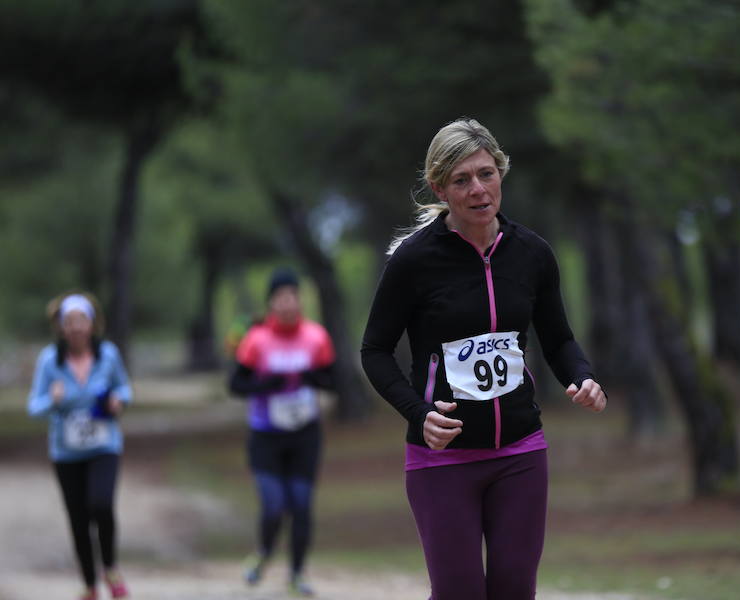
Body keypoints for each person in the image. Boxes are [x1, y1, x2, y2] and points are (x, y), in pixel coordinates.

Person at [361, 118, 608, 600]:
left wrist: (582, 376)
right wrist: (419, 414)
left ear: (501, 173)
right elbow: (375, 351)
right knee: (459, 592)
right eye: (462, 179)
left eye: (487, 173)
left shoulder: (532, 254)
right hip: (443, 458)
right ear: (440, 187)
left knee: (515, 590)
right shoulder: (414, 261)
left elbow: (557, 339)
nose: (478, 189)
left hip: (520, 451)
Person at [228, 267, 336, 597]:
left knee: (301, 503)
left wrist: (311, 379)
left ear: (299, 299)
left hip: (305, 432)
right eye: (281, 297)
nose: (288, 303)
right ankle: (263, 551)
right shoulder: (257, 339)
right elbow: (235, 384)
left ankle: (297, 573)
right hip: (266, 435)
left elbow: (333, 380)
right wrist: (264, 384)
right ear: (271, 303)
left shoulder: (316, 336)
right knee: (274, 504)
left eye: (293, 295)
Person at [27, 293, 132, 600]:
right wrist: (53, 399)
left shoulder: (108, 355)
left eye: (81, 320)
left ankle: (110, 566)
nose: (75, 328)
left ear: (91, 323)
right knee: (78, 518)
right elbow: (34, 407)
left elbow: (125, 387)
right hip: (66, 452)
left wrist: (119, 400)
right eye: (69, 322)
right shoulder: (49, 360)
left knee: (101, 503)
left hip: (104, 445)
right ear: (61, 327)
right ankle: (89, 585)